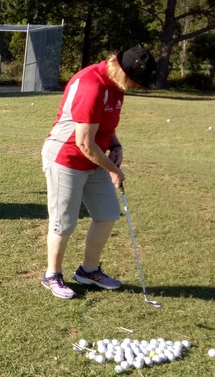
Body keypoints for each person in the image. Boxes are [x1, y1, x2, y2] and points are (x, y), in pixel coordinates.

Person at [40, 46, 157, 299]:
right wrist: (114, 169)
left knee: (107, 214)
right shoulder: (91, 85)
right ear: (121, 69)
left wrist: (116, 146)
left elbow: (103, 125)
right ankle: (52, 274)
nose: (136, 86)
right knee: (65, 220)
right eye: (135, 81)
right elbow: (84, 142)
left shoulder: (116, 85)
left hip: (94, 159)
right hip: (66, 158)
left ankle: (88, 270)